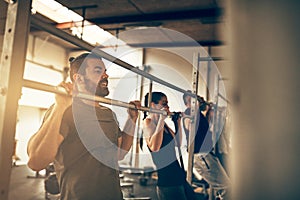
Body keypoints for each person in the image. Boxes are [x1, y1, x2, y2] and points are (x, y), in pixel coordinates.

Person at [27, 52, 141, 200]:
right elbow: (36, 162)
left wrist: (132, 120)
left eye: (105, 71)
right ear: (78, 78)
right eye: (98, 71)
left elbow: (119, 153)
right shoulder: (66, 111)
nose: (106, 75)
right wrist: (60, 106)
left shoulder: (108, 113)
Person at [182, 92, 230, 198]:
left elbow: (205, 129)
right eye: (191, 101)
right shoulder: (188, 113)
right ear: (187, 104)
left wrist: (208, 111)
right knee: (226, 188)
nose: (195, 103)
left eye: (195, 100)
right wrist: (197, 108)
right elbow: (190, 129)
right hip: (201, 156)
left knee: (224, 187)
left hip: (206, 154)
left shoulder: (198, 114)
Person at [142, 92, 188, 200]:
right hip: (167, 181)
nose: (167, 107)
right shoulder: (148, 122)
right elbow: (155, 147)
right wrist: (162, 119)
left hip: (178, 177)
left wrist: (178, 123)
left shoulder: (163, 125)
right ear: (153, 105)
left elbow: (178, 143)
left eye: (167, 104)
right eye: (164, 103)